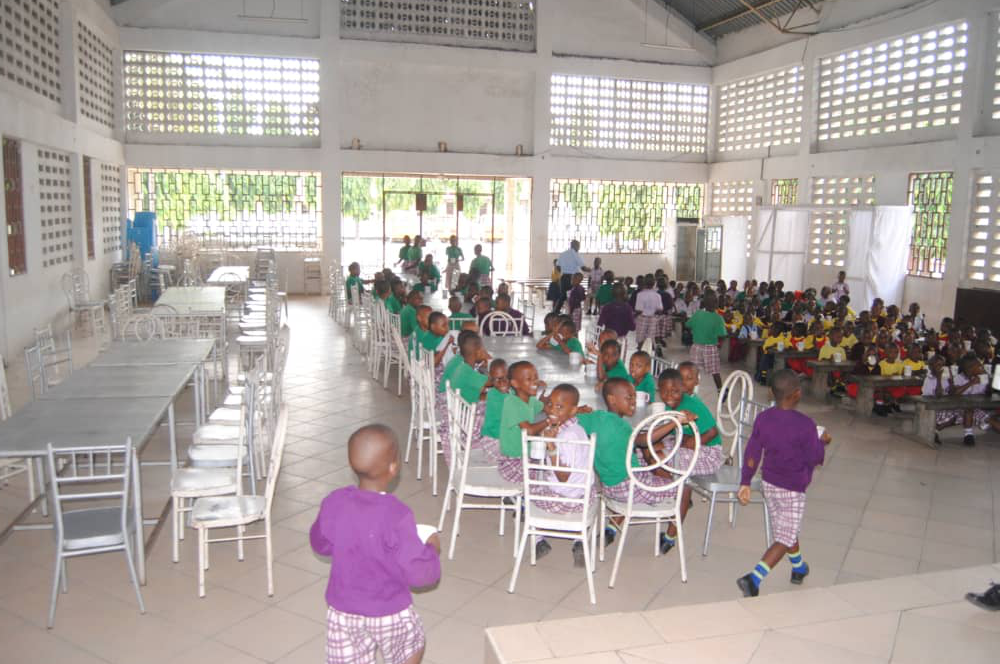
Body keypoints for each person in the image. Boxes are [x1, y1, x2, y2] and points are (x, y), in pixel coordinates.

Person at [310, 424, 441, 664]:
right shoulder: (397, 514)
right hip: (389, 609)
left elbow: (321, 544)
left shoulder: (334, 502)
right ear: (394, 467)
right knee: (411, 646)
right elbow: (420, 574)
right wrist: (432, 547)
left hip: (343, 610)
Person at [736, 370, 831, 598]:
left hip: (770, 484)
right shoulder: (806, 425)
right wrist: (822, 441)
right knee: (785, 536)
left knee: (786, 528)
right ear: (797, 394)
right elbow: (814, 458)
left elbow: (753, 451)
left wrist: (746, 481)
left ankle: (798, 568)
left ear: (772, 392)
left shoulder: (764, 418)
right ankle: (754, 579)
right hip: (793, 488)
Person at [657, 367, 724, 554]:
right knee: (650, 453)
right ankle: (677, 492)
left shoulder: (690, 404)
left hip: (710, 453)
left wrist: (692, 442)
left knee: (678, 471)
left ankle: (671, 534)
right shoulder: (672, 405)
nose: (670, 395)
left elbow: (712, 432)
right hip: (689, 449)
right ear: (658, 390)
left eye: (675, 391)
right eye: (665, 391)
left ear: (684, 390)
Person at [532, 384, 597, 566]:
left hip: (565, 500)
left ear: (574, 410)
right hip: (584, 497)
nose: (552, 409)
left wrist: (551, 447)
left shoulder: (565, 436)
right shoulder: (577, 430)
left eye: (560, 407)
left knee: (528, 489)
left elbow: (563, 476)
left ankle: (538, 539)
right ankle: (578, 539)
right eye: (550, 404)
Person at [497, 362, 549, 493]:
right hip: (513, 462)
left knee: (551, 466)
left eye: (536, 377)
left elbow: (545, 407)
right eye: (529, 379)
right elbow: (529, 430)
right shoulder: (511, 402)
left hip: (526, 456)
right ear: (515, 384)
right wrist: (549, 421)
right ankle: (525, 504)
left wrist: (574, 410)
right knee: (548, 480)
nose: (535, 381)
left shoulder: (529, 399)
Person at [685, 291, 728, 391]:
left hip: (696, 346)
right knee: (715, 371)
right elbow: (722, 335)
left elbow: (687, 325)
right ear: (716, 303)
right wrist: (719, 343)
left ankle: (689, 390)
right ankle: (720, 390)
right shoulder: (718, 318)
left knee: (694, 370)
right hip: (711, 347)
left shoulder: (698, 314)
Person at [553, 239, 590, 314]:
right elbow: (583, 267)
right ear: (575, 246)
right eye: (579, 246)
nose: (579, 248)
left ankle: (555, 312)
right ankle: (571, 313)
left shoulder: (562, 254)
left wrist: (564, 271)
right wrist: (590, 270)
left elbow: (557, 267)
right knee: (573, 296)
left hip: (563, 278)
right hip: (573, 279)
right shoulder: (576, 255)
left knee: (563, 296)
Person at [634, 276, 664, 349]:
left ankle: (640, 352)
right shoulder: (657, 295)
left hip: (642, 318)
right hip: (653, 318)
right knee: (650, 339)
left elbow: (638, 310)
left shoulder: (640, 294)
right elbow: (660, 310)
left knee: (640, 339)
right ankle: (651, 355)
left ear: (644, 283)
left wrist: (634, 316)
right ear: (654, 284)